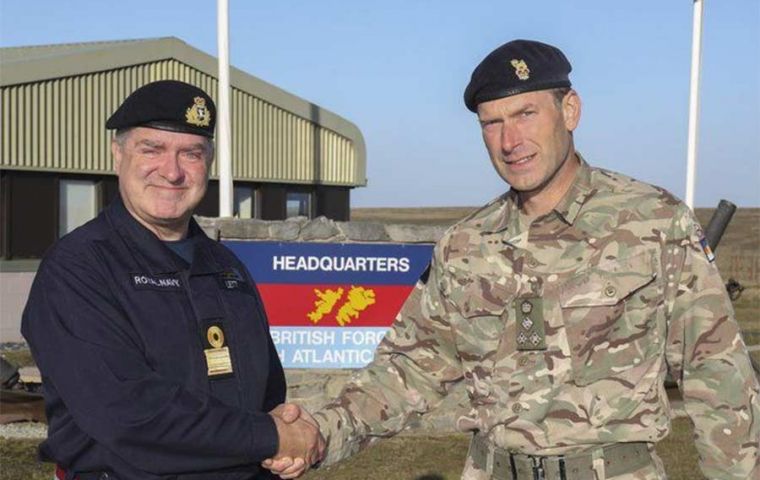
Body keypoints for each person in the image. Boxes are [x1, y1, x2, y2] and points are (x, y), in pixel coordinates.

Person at [264, 40, 760, 479]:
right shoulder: (466, 246)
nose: (509, 141)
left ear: (570, 110)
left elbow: (718, 375)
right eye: (492, 123)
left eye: (526, 114)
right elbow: (408, 369)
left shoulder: (653, 223)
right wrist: (320, 432)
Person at [21, 80, 324, 480]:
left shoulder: (226, 268)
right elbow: (129, 415)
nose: (172, 171)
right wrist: (270, 436)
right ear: (117, 155)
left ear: (209, 164)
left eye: (191, 153)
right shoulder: (80, 269)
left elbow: (265, 390)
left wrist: (279, 438)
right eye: (152, 149)